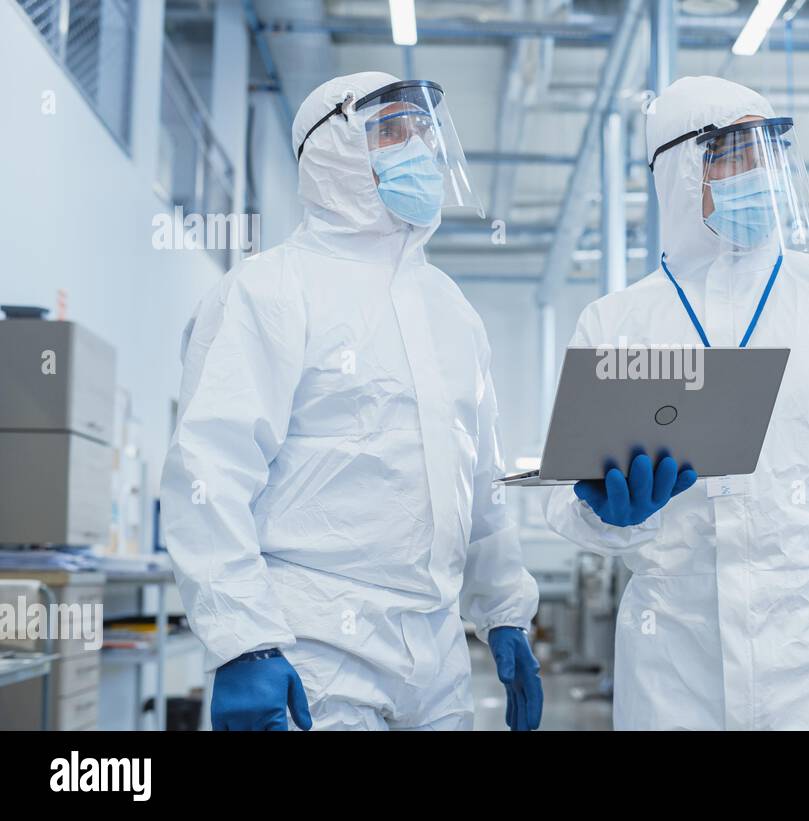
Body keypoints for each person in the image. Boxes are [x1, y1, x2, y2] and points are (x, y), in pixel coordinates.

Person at [545, 75, 809, 730]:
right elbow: (562, 498)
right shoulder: (615, 323)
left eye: (768, 150)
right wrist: (609, 512)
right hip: (674, 670)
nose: (760, 171)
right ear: (678, 169)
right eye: (733, 151)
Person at [161, 72, 542, 731]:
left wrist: (505, 610)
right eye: (391, 130)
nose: (417, 146)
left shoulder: (452, 311)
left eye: (423, 130)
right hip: (315, 650)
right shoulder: (268, 291)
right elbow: (209, 473)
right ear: (332, 150)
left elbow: (480, 487)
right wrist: (242, 640)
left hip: (440, 656)